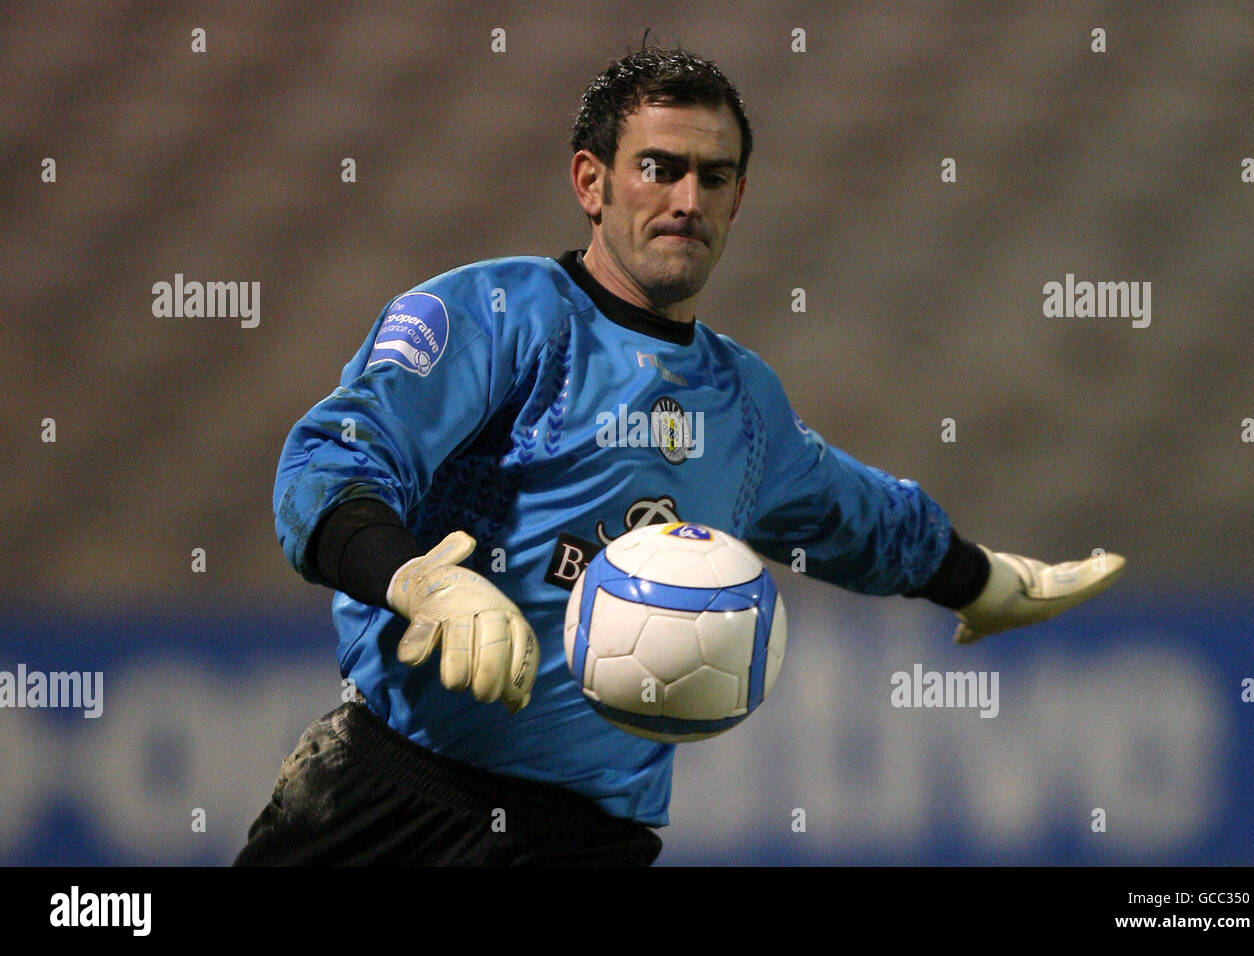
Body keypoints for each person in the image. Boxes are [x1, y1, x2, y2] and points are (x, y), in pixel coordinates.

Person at [233, 44, 1123, 866]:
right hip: (388, 799)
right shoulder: (497, 316)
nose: (686, 200)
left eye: (714, 175)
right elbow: (328, 460)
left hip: (585, 842)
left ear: (739, 197)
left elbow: (859, 518)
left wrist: (982, 583)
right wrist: (417, 580)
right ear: (592, 182)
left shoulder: (742, 402)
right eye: (659, 168)